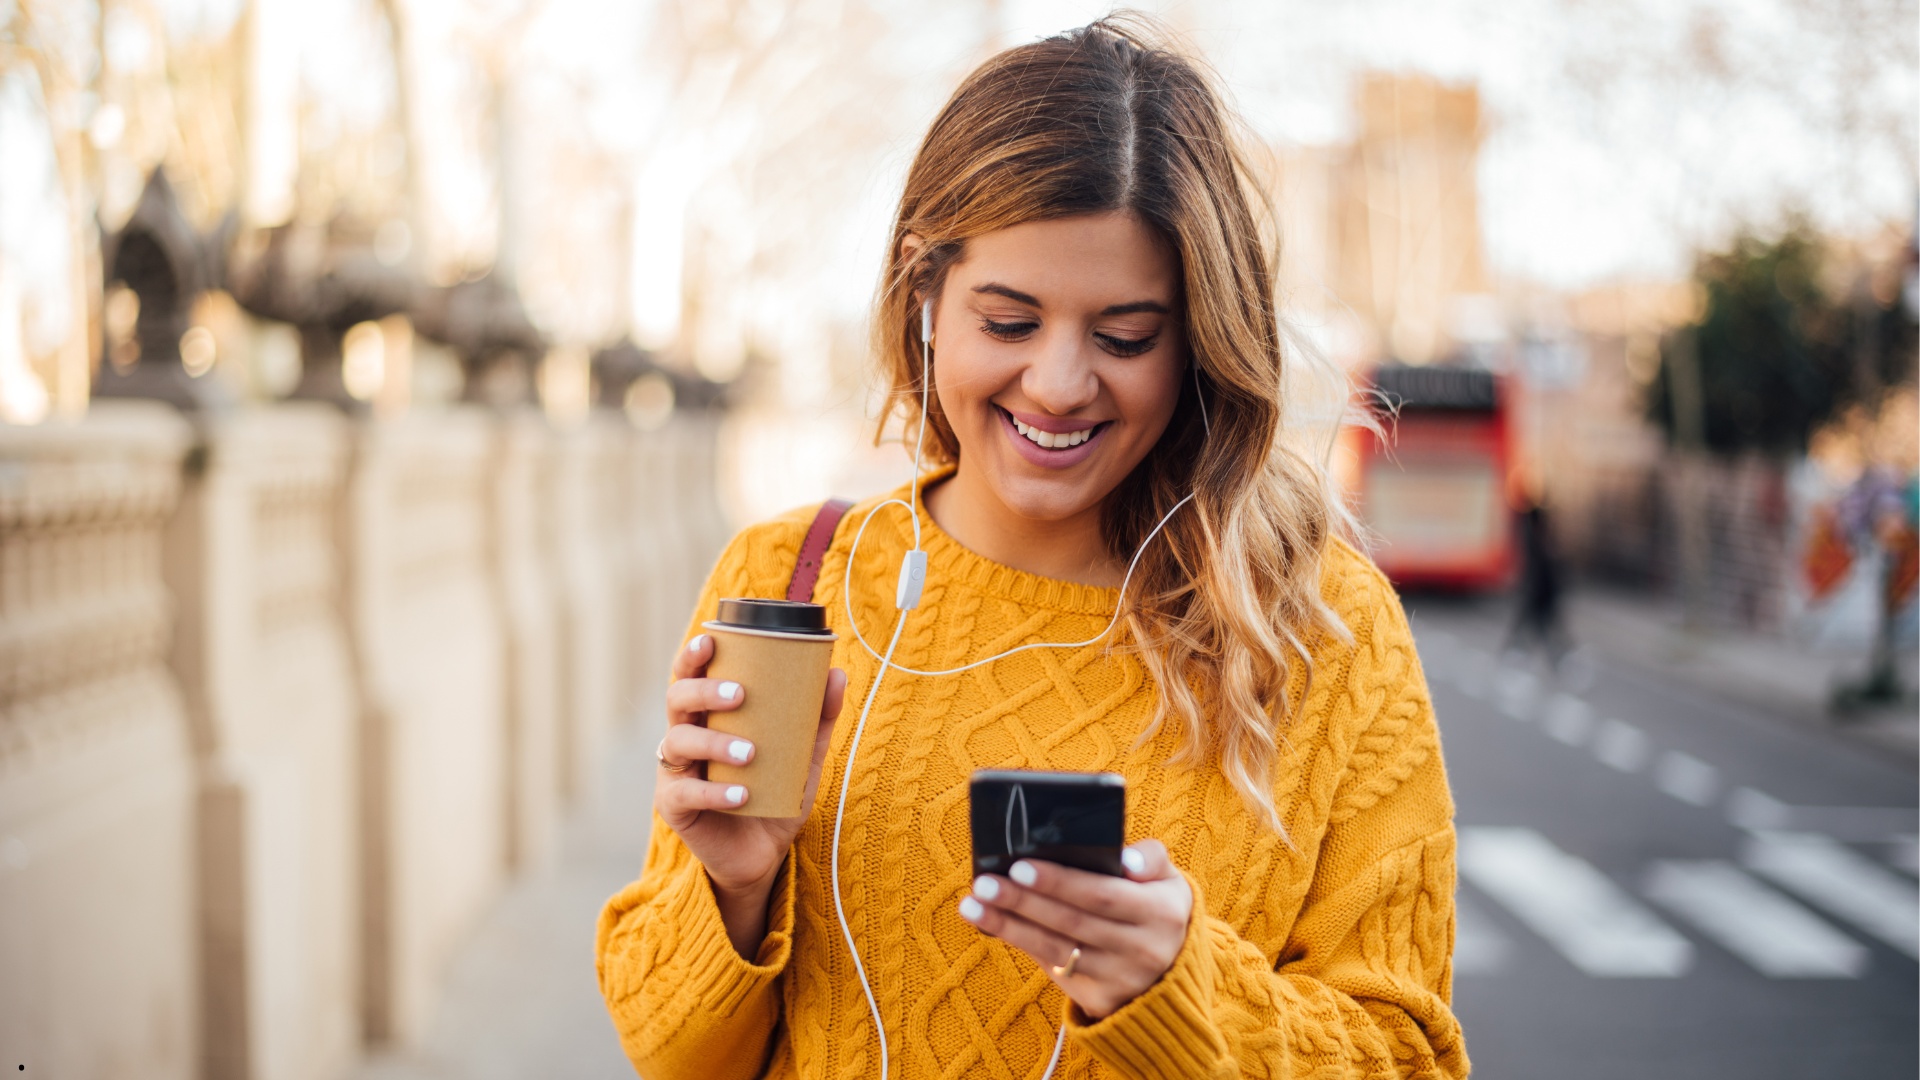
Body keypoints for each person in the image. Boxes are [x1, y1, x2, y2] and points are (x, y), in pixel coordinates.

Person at [597, 18, 1467, 1080]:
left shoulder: (1321, 627)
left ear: (1199, 336)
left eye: (1124, 336)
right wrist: (731, 891)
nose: (1059, 386)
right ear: (925, 294)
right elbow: (671, 1053)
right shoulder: (791, 581)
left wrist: (1179, 992)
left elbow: (1408, 1057)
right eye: (1008, 322)